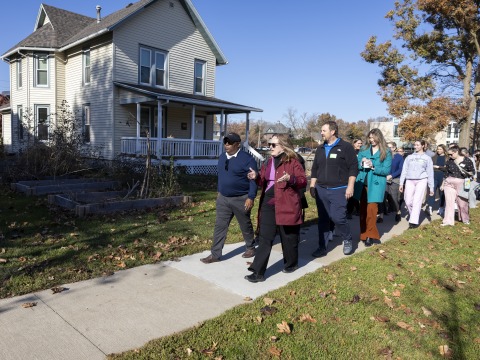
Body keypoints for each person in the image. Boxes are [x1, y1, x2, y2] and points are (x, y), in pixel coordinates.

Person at [244, 134, 307, 282]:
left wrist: (290, 179)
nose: (270, 147)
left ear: (283, 146)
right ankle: (257, 272)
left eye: (273, 145)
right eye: (269, 144)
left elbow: (303, 181)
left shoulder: (293, 162)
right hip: (268, 203)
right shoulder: (268, 161)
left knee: (288, 236)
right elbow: (264, 181)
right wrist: (256, 177)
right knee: (265, 238)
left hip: (287, 203)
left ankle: (291, 263)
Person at [200, 133, 258, 264]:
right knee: (220, 226)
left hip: (241, 198)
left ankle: (250, 247)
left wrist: (251, 197)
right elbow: (221, 177)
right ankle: (215, 254)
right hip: (223, 199)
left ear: (238, 144)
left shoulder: (247, 159)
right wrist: (219, 192)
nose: (226, 145)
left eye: (229, 142)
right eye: (225, 142)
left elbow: (253, 180)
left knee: (245, 224)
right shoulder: (222, 157)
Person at [309, 121, 358, 257]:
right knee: (323, 219)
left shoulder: (346, 147)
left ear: (332, 131)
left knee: (338, 217)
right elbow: (315, 169)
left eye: (324, 130)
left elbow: (353, 168)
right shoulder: (320, 149)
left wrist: (350, 186)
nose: (321, 133)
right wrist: (312, 185)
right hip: (322, 189)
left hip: (339, 189)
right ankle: (322, 247)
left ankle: (347, 238)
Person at [353, 129, 392, 246]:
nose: (371, 140)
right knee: (363, 211)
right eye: (370, 138)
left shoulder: (386, 151)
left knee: (372, 211)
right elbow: (357, 163)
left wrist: (373, 166)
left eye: (373, 138)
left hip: (375, 184)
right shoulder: (364, 149)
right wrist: (362, 162)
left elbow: (386, 170)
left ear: (379, 137)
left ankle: (370, 235)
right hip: (362, 183)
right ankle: (364, 234)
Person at [399, 140, 434, 229]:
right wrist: (401, 183)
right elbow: (404, 170)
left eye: (418, 145)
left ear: (423, 146)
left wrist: (431, 187)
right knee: (407, 201)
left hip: (421, 180)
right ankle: (413, 215)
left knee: (417, 201)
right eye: (415, 145)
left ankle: (413, 221)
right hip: (409, 180)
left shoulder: (427, 158)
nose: (415, 146)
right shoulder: (409, 157)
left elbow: (430, 173)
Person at [440, 145, 475, 226]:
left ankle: (465, 219)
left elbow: (473, 172)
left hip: (462, 183)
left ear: (456, 152)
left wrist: (468, 173)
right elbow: (446, 174)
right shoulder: (449, 161)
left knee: (462, 203)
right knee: (449, 203)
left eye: (451, 154)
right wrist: (442, 184)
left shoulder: (467, 160)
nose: (449, 156)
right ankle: (448, 221)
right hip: (449, 183)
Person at [377, 142, 404, 223]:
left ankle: (397, 212)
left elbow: (400, 169)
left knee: (394, 198)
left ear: (394, 148)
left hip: (394, 179)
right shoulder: (383, 156)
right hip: (383, 179)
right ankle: (381, 216)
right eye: (387, 147)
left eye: (391, 147)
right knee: (382, 198)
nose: (389, 149)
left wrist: (391, 175)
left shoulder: (399, 157)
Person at [427, 144, 447, 216]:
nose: (438, 150)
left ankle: (441, 207)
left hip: (442, 176)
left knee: (442, 193)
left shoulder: (447, 158)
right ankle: (430, 207)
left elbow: (447, 168)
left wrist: (438, 167)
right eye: (438, 149)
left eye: (440, 149)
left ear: (444, 150)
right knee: (432, 191)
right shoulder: (434, 157)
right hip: (433, 175)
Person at [346, 138, 363, 219]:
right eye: (358, 143)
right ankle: (349, 212)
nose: (360, 145)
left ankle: (358, 210)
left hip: (360, 175)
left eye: (361, 143)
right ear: (354, 144)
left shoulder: (362, 153)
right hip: (351, 174)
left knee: (357, 195)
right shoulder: (351, 152)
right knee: (351, 195)